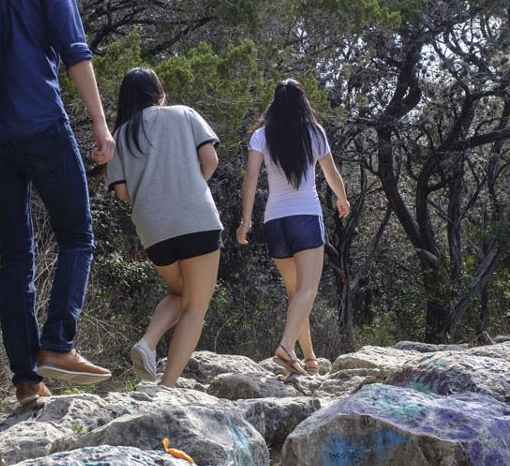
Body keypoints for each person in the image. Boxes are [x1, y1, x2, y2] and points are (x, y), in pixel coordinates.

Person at [0, 0, 115, 406]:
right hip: (42, 126)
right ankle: (58, 343)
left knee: (16, 255)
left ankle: (27, 380)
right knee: (77, 234)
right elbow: (75, 53)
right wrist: (101, 125)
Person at [107, 68, 223, 387]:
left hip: (153, 229)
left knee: (183, 292)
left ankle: (147, 343)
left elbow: (122, 192)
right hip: (196, 218)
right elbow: (210, 160)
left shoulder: (120, 135)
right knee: (196, 305)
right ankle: (167, 386)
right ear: (158, 91)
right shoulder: (183, 114)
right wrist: (187, 188)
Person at [236, 79, 349, 375]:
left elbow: (250, 178)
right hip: (306, 218)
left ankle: (309, 357)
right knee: (308, 289)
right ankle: (286, 347)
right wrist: (342, 198)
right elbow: (331, 172)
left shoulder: (261, 135)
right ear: (303, 103)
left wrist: (245, 220)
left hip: (275, 221)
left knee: (296, 293)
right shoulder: (314, 132)